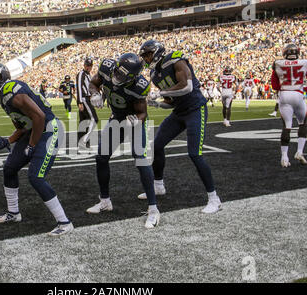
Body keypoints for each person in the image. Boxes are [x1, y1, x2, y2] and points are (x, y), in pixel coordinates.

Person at [0, 62, 74, 236]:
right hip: (34, 130)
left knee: (36, 176)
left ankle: (64, 222)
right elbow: (23, 127)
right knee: (10, 168)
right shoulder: (3, 96)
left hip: (49, 129)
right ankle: (13, 213)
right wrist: (8, 141)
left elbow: (39, 117)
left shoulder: (12, 90)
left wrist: (31, 145)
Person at [139, 39, 222, 214]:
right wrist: (159, 104)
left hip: (195, 109)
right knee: (157, 145)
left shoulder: (175, 59)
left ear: (157, 51)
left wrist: (160, 93)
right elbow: (171, 101)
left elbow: (187, 86)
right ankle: (159, 185)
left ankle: (214, 198)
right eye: (144, 56)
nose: (146, 59)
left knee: (194, 154)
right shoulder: (155, 74)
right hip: (179, 112)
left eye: (147, 54)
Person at [86, 53, 161, 228]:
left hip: (133, 119)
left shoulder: (139, 85)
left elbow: (142, 112)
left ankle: (153, 209)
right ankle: (105, 201)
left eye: (123, 76)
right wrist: (95, 93)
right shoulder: (107, 67)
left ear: (133, 77)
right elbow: (93, 83)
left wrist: (134, 120)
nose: (117, 78)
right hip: (117, 117)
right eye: (117, 73)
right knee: (101, 157)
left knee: (141, 159)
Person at [270, 43, 307, 167]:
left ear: (285, 53)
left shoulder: (278, 63)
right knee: (302, 123)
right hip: (298, 94)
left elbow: (274, 86)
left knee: (286, 127)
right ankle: (299, 152)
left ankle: (284, 158)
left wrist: (286, 88)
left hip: (285, 95)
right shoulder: (305, 62)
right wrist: (302, 89)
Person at [76, 57, 98, 150]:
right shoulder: (81, 74)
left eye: (90, 66)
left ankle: (82, 143)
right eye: (87, 65)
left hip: (87, 99)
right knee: (94, 119)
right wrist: (79, 102)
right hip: (84, 99)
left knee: (84, 121)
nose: (88, 67)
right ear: (84, 65)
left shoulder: (88, 75)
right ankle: (84, 141)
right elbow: (79, 88)